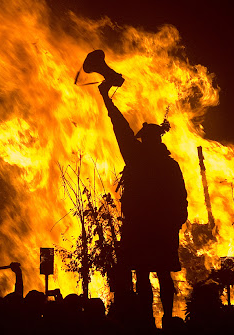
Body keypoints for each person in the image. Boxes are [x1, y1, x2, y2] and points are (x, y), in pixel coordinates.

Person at [98, 79, 188, 326]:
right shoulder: (165, 165)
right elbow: (181, 197)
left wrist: (107, 98)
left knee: (147, 274)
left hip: (146, 227)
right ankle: (163, 320)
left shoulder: (138, 159)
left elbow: (121, 129)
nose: (146, 142)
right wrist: (177, 219)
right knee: (156, 274)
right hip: (157, 227)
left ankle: (153, 320)